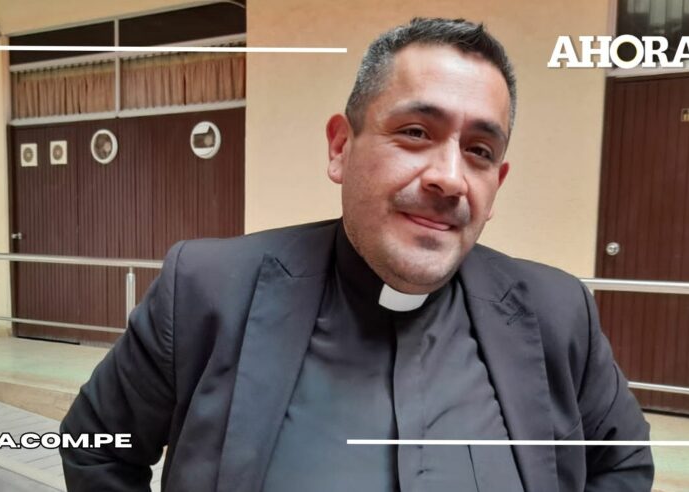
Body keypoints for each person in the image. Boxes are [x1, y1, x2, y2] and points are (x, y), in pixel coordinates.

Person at [60, 17, 653, 492]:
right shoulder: (206, 291)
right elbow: (95, 446)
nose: (450, 178)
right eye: (415, 132)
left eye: (478, 150)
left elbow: (622, 461)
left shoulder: (556, 313)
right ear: (341, 147)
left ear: (496, 182)